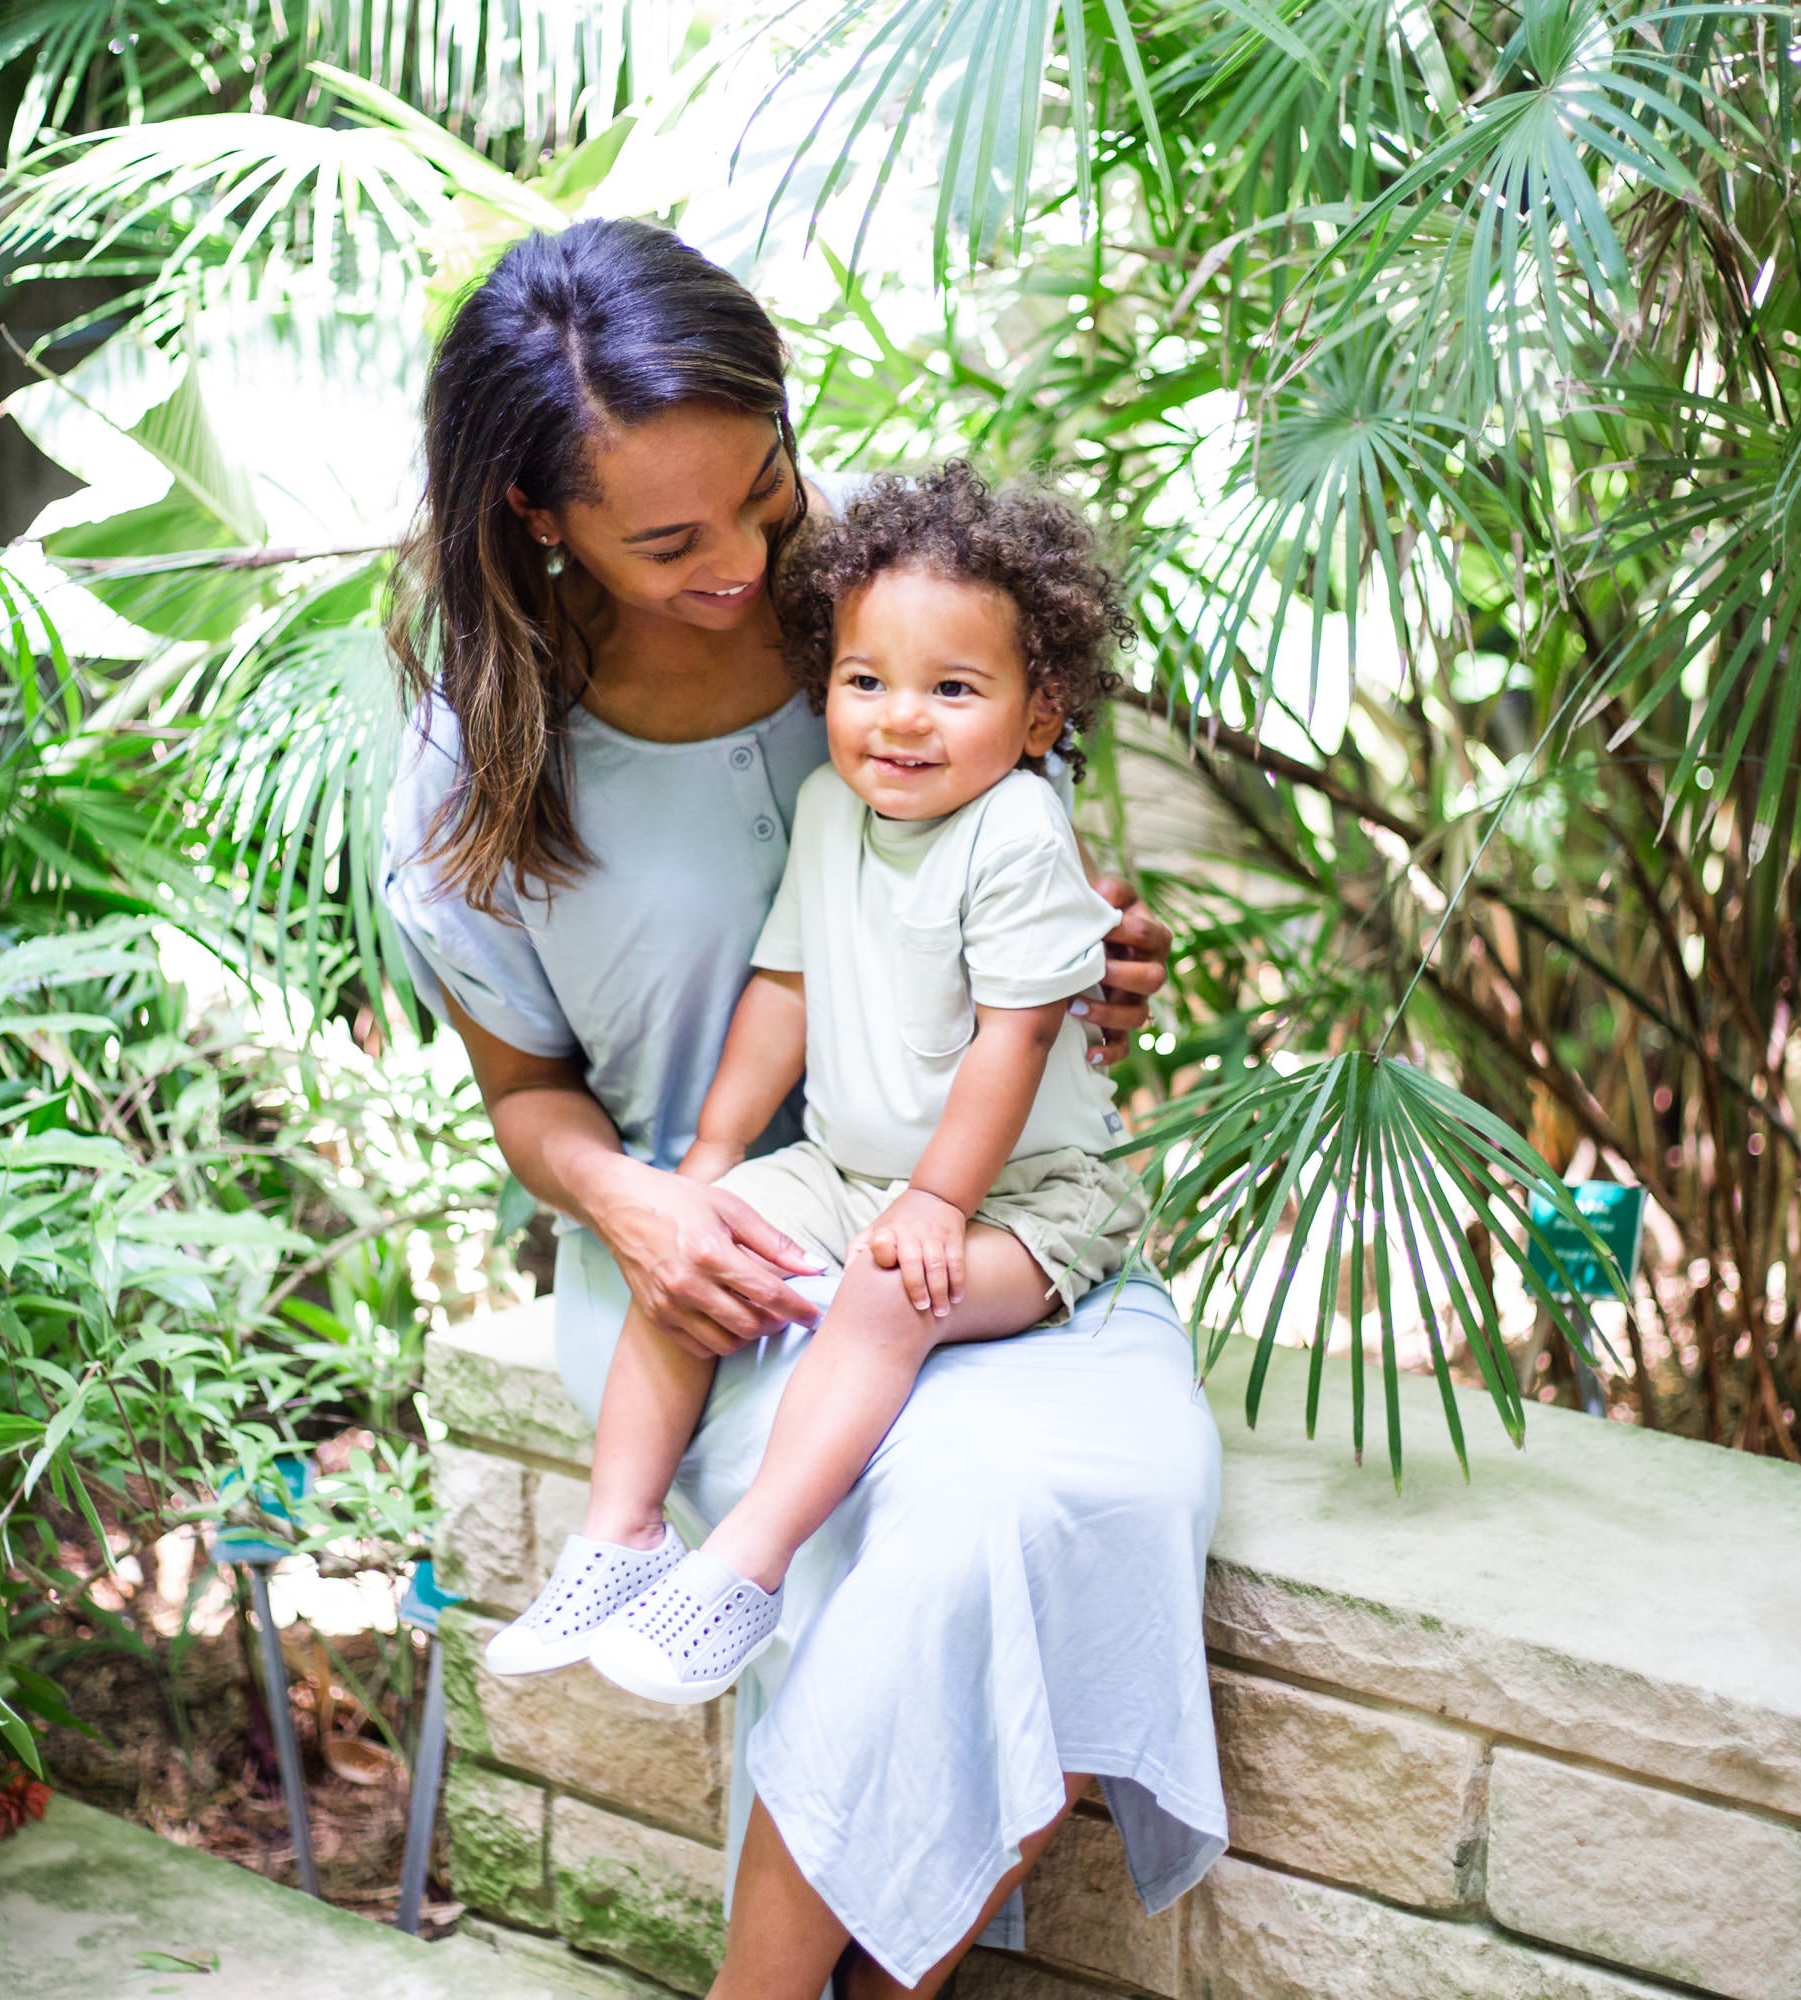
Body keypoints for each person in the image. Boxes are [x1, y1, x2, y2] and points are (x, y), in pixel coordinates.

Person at [381, 217, 1225, 1999]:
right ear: (539, 516)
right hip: (711, 1268)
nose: (748, 560)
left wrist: (1097, 960)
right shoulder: (476, 771)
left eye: (763, 490)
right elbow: (527, 1104)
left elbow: (1014, 917)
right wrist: (648, 1201)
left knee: (1094, 1503)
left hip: (978, 1215)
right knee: (947, 1535)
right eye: (671, 540)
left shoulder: (896, 612)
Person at [483, 463, 1150, 1706]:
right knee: (702, 1243)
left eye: (952, 688)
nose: (900, 720)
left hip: (1026, 1199)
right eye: (864, 681)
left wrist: (938, 1202)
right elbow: (783, 988)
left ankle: (744, 1568)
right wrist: (710, 1156)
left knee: (892, 1290)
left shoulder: (1014, 829)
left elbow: (1013, 1040)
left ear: (1039, 712)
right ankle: (618, 1535)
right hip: (851, 1173)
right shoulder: (828, 807)